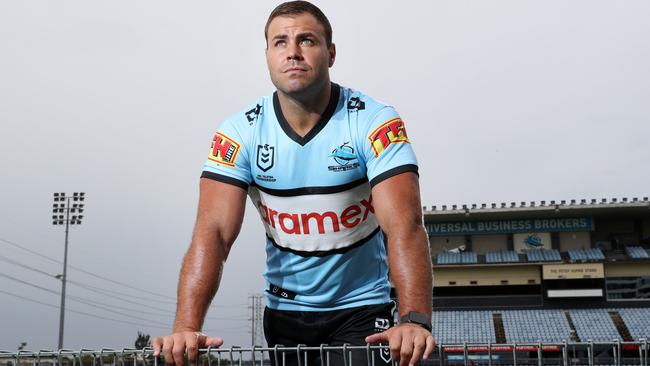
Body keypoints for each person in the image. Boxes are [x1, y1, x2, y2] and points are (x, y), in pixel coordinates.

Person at [152, 2, 434, 366]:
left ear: (330, 53)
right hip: (284, 313)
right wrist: (185, 328)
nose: (293, 53)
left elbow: (405, 225)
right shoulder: (239, 132)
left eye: (307, 40)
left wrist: (414, 320)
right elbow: (214, 232)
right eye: (280, 42)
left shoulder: (375, 121)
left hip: (361, 310)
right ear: (267, 55)